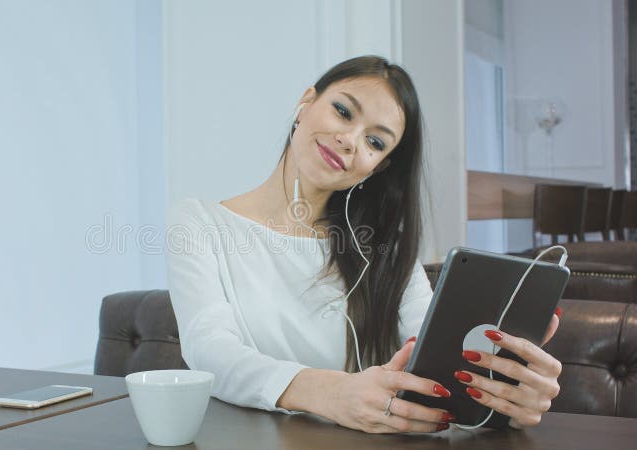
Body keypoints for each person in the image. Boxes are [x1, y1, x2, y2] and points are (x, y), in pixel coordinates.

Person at [164, 55, 561, 434]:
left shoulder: (385, 248)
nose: (350, 140)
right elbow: (209, 350)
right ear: (306, 102)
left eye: (374, 141)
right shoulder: (198, 222)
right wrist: (331, 393)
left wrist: (504, 392)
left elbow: (430, 343)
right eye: (343, 111)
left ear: (378, 167)